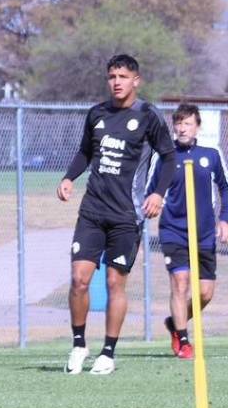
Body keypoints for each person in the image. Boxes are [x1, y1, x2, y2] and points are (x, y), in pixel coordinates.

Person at [57, 54, 175, 375]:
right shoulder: (96, 114)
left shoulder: (148, 116)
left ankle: (108, 352)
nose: (117, 81)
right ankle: (79, 345)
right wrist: (69, 177)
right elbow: (85, 152)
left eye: (123, 76)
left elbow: (169, 156)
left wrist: (157, 193)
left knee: (114, 283)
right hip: (92, 210)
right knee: (79, 280)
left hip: (127, 214)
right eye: (112, 76)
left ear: (136, 80)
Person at [148, 104, 228, 360]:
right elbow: (152, 190)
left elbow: (226, 188)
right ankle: (183, 339)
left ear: (197, 126)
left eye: (187, 123)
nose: (182, 128)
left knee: (205, 293)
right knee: (180, 283)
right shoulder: (164, 155)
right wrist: (153, 200)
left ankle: (175, 323)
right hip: (174, 230)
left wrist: (224, 219)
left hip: (204, 232)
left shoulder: (211, 154)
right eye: (178, 123)